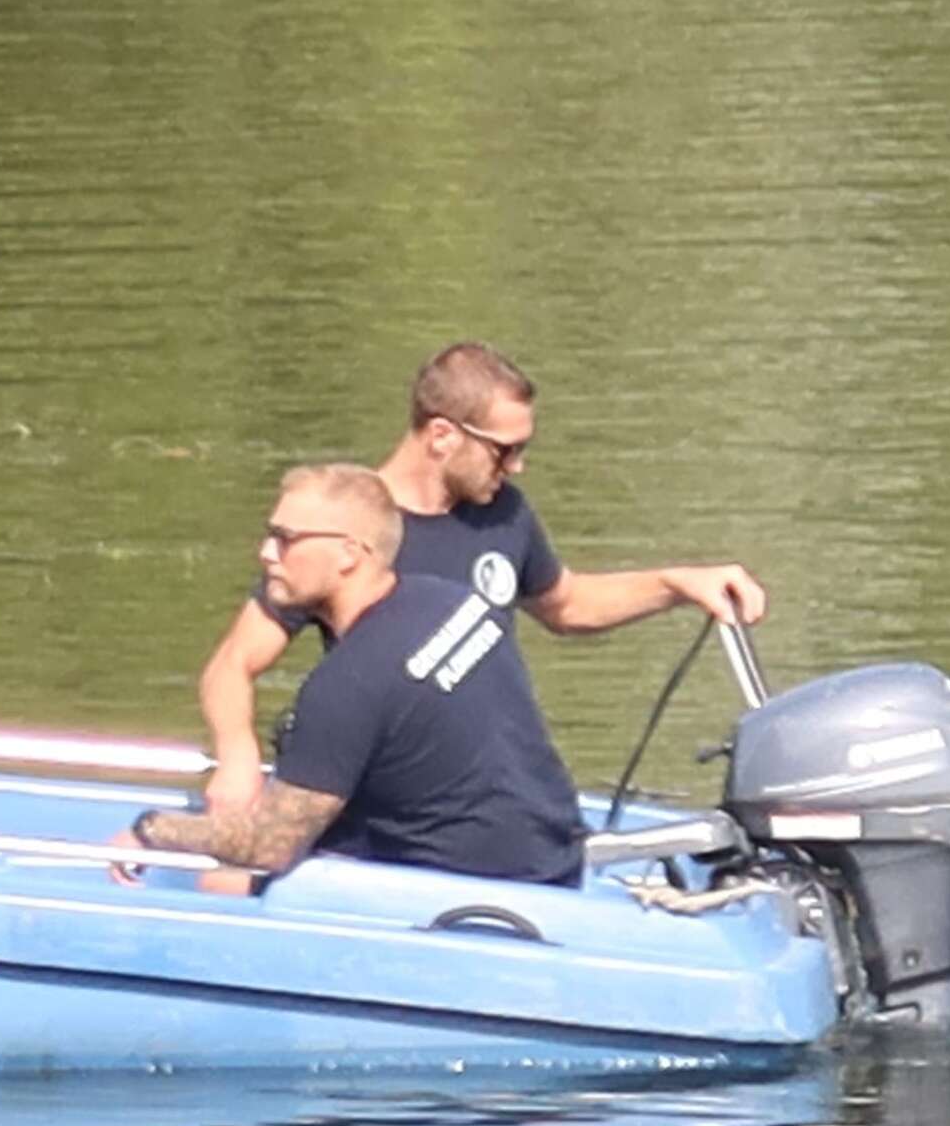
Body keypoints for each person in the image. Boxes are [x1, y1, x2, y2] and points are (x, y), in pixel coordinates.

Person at [197, 341, 766, 819]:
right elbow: (234, 665)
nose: (516, 466)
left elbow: (567, 605)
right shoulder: (343, 532)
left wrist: (679, 584)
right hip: (402, 811)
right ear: (442, 436)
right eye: (504, 450)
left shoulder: (503, 512)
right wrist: (237, 753)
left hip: (499, 800)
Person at [115, 464, 586, 888]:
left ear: (349, 553)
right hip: (556, 859)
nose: (266, 553)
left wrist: (152, 830)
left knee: (225, 881)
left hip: (465, 886)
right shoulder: (458, 602)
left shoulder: (349, 684)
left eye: (286, 538)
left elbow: (269, 847)